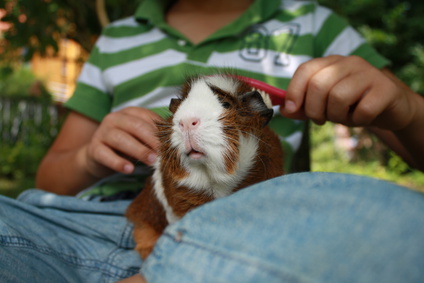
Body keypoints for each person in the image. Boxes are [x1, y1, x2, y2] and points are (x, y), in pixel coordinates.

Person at [1, 0, 423, 282]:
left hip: (246, 230)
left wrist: (404, 107)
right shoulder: (118, 38)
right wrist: (90, 158)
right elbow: (48, 182)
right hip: (83, 226)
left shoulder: (309, 21)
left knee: (402, 227)